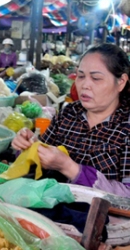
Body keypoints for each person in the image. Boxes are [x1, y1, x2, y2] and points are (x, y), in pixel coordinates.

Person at [11, 44, 130, 197]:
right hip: (51, 207)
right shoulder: (69, 113)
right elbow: (38, 163)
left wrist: (69, 167)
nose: (84, 85)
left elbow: (127, 196)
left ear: (121, 82)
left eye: (96, 78)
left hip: (104, 219)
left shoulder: (126, 127)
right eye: (80, 76)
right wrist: (28, 147)